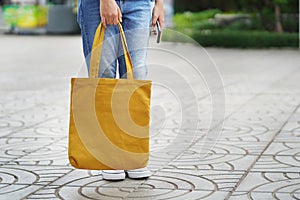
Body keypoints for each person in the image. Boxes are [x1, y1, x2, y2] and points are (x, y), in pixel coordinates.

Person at [77, 0, 164, 181]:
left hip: (139, 3)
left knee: (136, 74)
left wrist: (159, 3)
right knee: (104, 74)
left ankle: (132, 153)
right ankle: (109, 157)